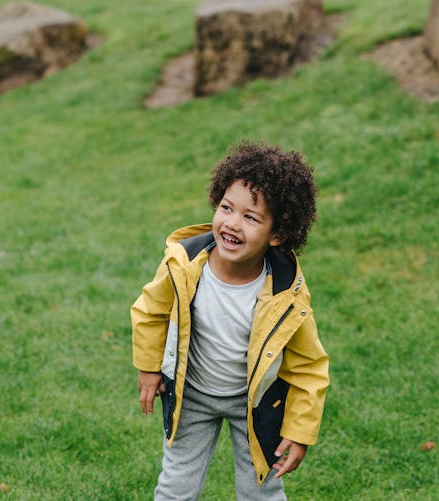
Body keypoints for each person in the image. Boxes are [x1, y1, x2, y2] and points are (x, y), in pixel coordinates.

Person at [131, 140, 329, 500]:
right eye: (226, 207)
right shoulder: (183, 265)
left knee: (262, 491)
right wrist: (148, 367)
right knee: (176, 486)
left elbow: (309, 365)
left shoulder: (287, 293)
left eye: (251, 217)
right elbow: (150, 311)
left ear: (278, 234)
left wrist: (300, 430)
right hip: (192, 395)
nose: (232, 223)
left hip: (253, 404)